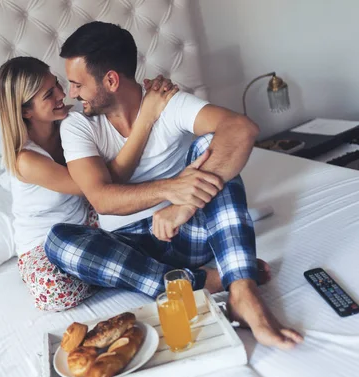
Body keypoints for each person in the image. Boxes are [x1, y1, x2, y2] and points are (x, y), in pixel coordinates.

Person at [44, 22, 303, 349]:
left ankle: (243, 292)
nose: (72, 94)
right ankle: (207, 280)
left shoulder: (167, 101)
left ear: (110, 80)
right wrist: (170, 189)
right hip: (124, 244)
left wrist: (182, 207)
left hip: (185, 234)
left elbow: (240, 129)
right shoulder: (77, 125)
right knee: (58, 241)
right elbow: (102, 200)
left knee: (211, 147)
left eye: (77, 83)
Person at [0, 56, 179, 311]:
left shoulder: (71, 126)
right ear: (26, 111)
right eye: (49, 94)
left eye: (57, 84)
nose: (62, 94)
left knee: (138, 222)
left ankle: (122, 268)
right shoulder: (26, 160)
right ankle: (151, 275)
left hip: (89, 226)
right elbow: (104, 185)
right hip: (48, 244)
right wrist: (146, 119)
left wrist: (151, 96)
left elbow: (117, 108)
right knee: (54, 291)